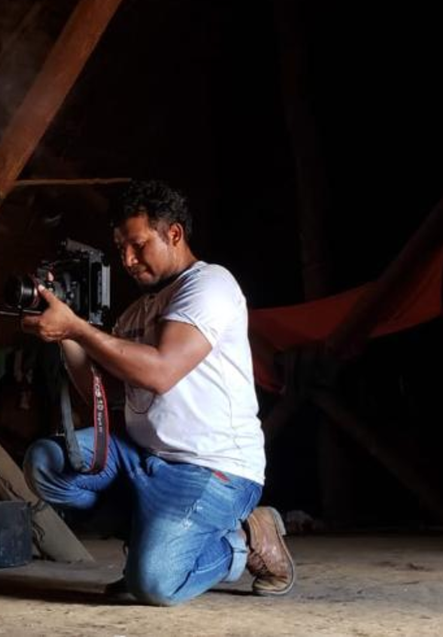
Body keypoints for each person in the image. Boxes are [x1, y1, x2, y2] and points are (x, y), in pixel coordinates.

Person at [20, 180, 294, 606]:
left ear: (174, 235)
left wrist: (79, 328)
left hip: (210, 467)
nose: (127, 259)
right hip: (142, 456)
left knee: (155, 585)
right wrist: (65, 335)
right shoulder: (136, 311)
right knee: (48, 463)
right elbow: (104, 395)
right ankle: (153, 541)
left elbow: (161, 373)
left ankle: (245, 538)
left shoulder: (209, 285)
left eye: (138, 245)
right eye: (121, 248)